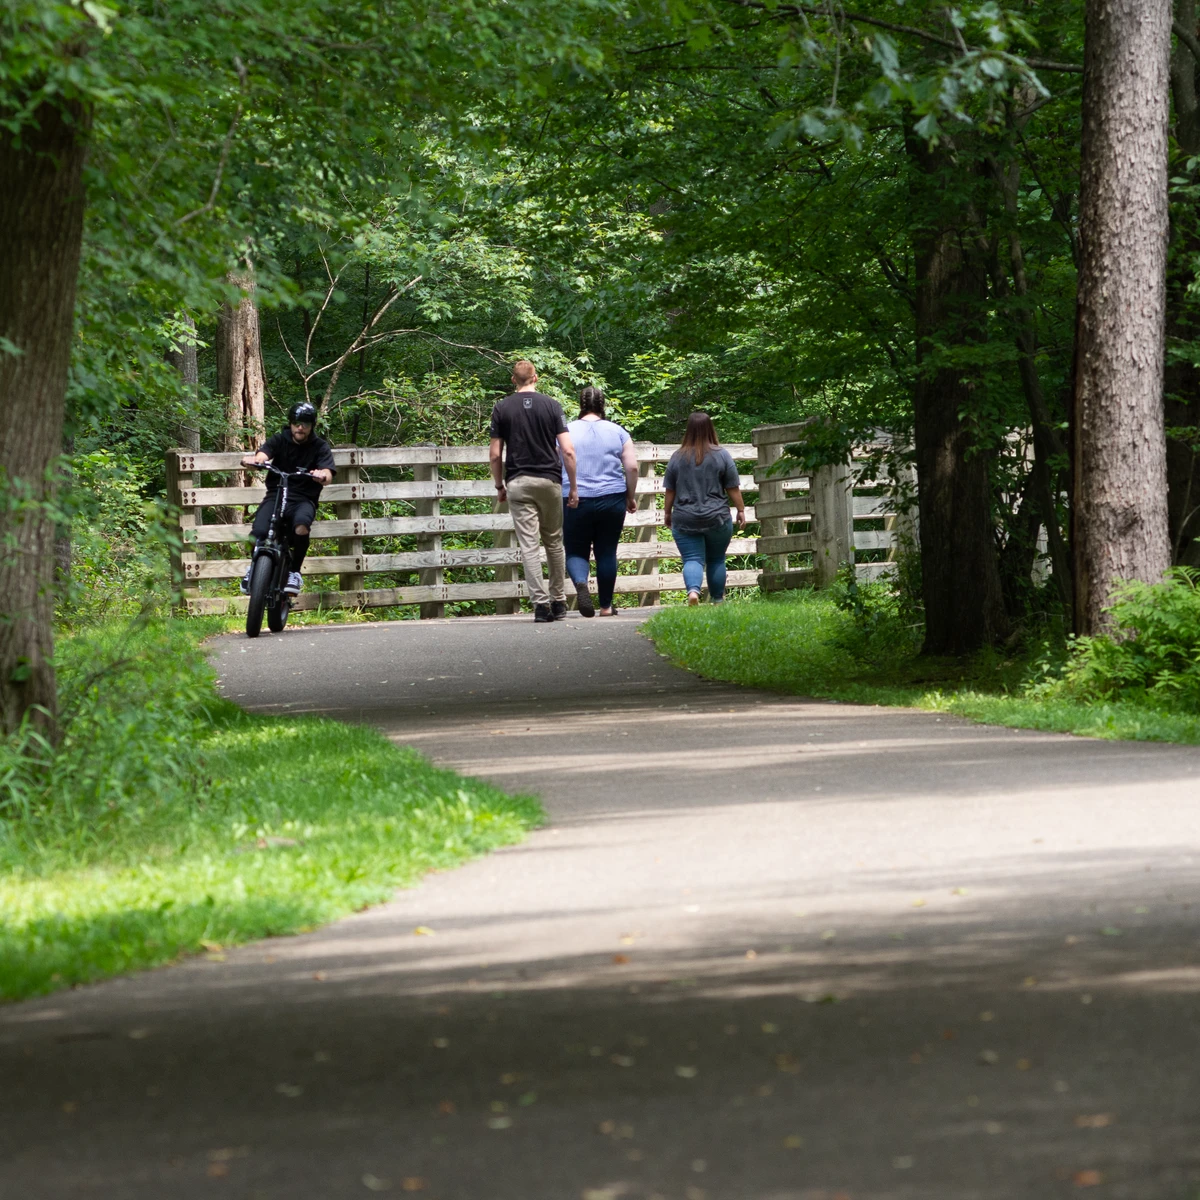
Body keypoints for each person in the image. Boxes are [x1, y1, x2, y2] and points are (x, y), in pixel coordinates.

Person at [489, 360, 578, 623]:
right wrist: (573, 487)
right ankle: (559, 602)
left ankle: (540, 606)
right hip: (549, 481)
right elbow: (568, 450)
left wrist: (499, 486)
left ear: (513, 380)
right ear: (536, 378)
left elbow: (495, 455)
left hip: (518, 481)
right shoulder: (552, 405)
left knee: (529, 545)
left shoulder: (501, 407)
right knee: (553, 541)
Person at [239, 401, 335, 596]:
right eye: (297, 423)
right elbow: (264, 453)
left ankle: (294, 572)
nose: (300, 427)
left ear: (312, 426)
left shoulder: (319, 446)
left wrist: (322, 475)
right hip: (276, 494)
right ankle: (254, 568)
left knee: (301, 526)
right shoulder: (280, 439)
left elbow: (328, 472)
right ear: (291, 423)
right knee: (257, 531)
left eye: (306, 424)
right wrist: (256, 461)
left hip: (303, 498)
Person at [561, 387, 638, 617]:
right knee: (606, 551)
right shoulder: (618, 431)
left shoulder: (566, 431)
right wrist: (630, 496)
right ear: (603, 405)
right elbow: (632, 467)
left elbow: (558, 462)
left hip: (574, 498)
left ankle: (581, 582)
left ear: (581, 404)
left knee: (575, 549)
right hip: (612, 497)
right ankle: (605, 606)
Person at [663, 411, 746, 605]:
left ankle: (693, 592)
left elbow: (670, 490)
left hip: (685, 517)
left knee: (692, 559)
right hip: (717, 517)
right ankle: (717, 599)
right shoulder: (722, 455)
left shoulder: (677, 457)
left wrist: (667, 513)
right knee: (716, 559)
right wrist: (740, 510)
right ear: (710, 429)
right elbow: (732, 487)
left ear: (688, 431)